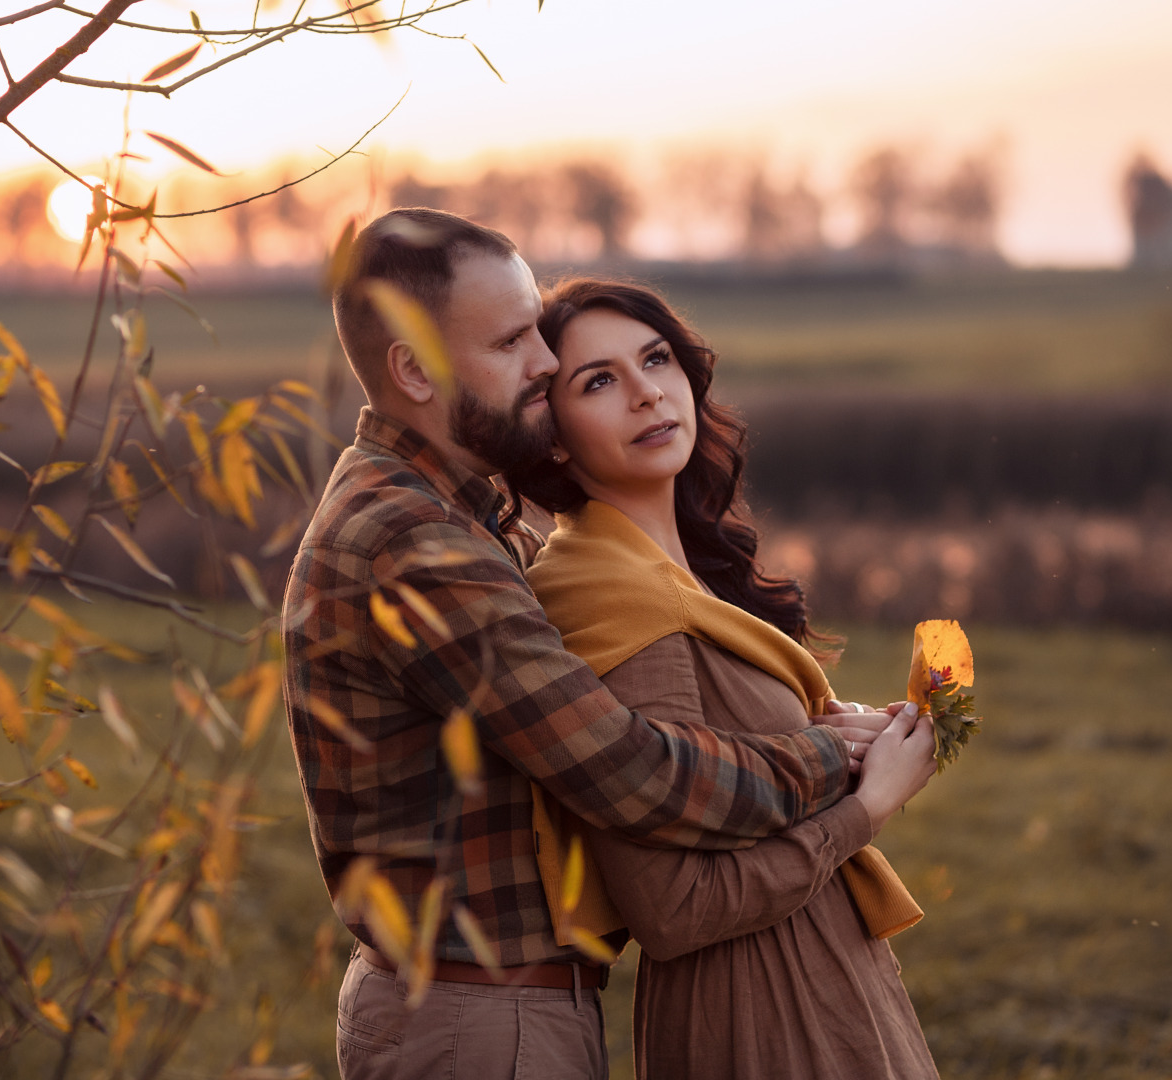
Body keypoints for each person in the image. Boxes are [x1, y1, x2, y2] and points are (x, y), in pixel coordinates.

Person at [280, 209, 898, 1080]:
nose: (543, 360)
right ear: (413, 370)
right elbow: (633, 775)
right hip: (482, 1023)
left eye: (536, 326)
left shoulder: (450, 517)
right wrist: (834, 763)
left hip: (476, 1010)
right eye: (509, 341)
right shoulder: (415, 544)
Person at [508, 277, 941, 1079]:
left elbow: (730, 769)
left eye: (656, 359)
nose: (646, 393)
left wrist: (838, 746)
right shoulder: (607, 594)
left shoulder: (671, 574)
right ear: (555, 435)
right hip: (760, 1012)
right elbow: (674, 909)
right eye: (599, 381)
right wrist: (869, 804)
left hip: (818, 976)